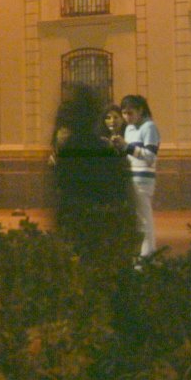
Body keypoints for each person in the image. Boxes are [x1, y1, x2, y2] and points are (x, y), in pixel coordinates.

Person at [50, 83, 135, 265]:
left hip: (77, 234)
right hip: (101, 237)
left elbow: (62, 194)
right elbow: (122, 197)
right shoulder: (105, 150)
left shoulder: (68, 152)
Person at [113, 94, 160, 259]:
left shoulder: (149, 127)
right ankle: (141, 255)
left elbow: (150, 157)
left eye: (130, 113)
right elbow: (130, 154)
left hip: (143, 180)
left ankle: (147, 256)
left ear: (141, 110)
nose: (127, 117)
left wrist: (127, 147)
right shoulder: (129, 128)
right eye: (124, 113)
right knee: (136, 220)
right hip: (131, 177)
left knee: (144, 219)